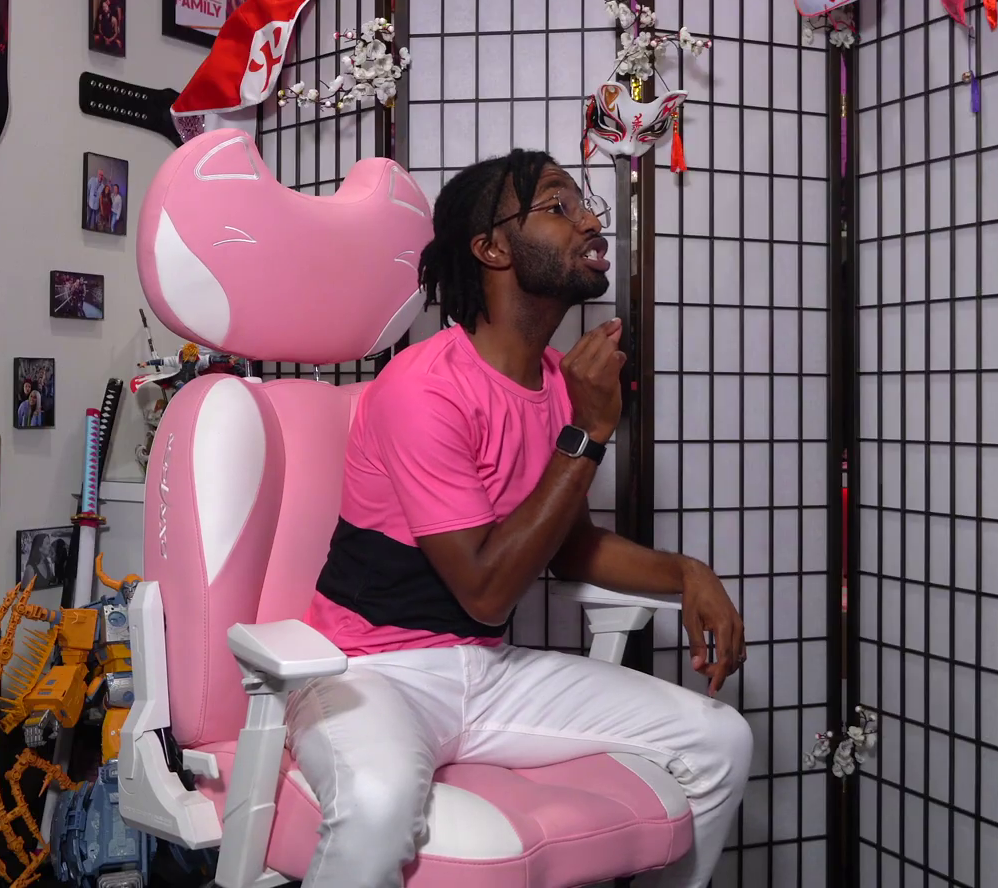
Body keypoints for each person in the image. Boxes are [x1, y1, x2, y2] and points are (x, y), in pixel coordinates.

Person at [290, 150, 751, 888]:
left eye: (584, 204)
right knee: (377, 802)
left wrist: (687, 574)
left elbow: (569, 548)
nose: (591, 221)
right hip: (368, 669)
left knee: (720, 741)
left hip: (486, 671)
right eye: (559, 207)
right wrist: (589, 433)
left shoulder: (558, 385)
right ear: (492, 248)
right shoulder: (423, 386)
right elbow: (485, 590)